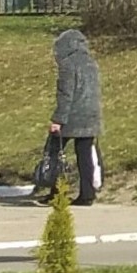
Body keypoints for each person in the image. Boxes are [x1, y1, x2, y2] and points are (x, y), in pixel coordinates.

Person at [37, 26, 101, 207]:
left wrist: (58, 119)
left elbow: (66, 94)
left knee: (55, 151)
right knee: (85, 155)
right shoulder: (91, 63)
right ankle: (87, 194)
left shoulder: (67, 65)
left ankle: (57, 191)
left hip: (72, 115)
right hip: (91, 115)